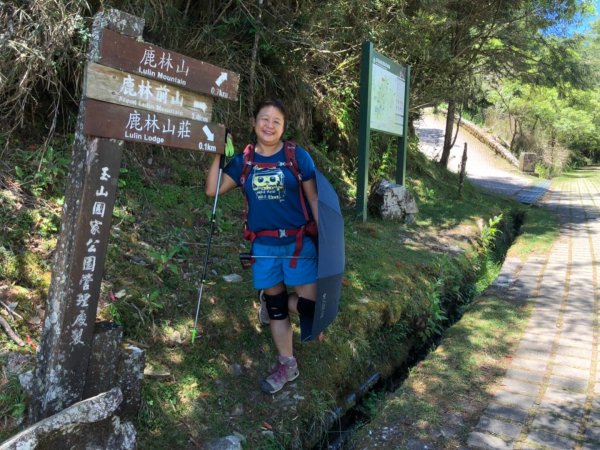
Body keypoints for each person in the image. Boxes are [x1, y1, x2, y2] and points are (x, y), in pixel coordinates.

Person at [205, 97, 318, 394]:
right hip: (263, 245)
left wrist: (327, 238)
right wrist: (217, 152)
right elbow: (212, 189)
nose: (269, 125)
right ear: (255, 123)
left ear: (283, 128)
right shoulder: (245, 161)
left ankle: (270, 304)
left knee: (313, 309)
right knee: (279, 308)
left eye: (276, 121)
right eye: (264, 119)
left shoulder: (298, 157)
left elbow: (315, 199)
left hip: (298, 243)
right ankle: (287, 364)